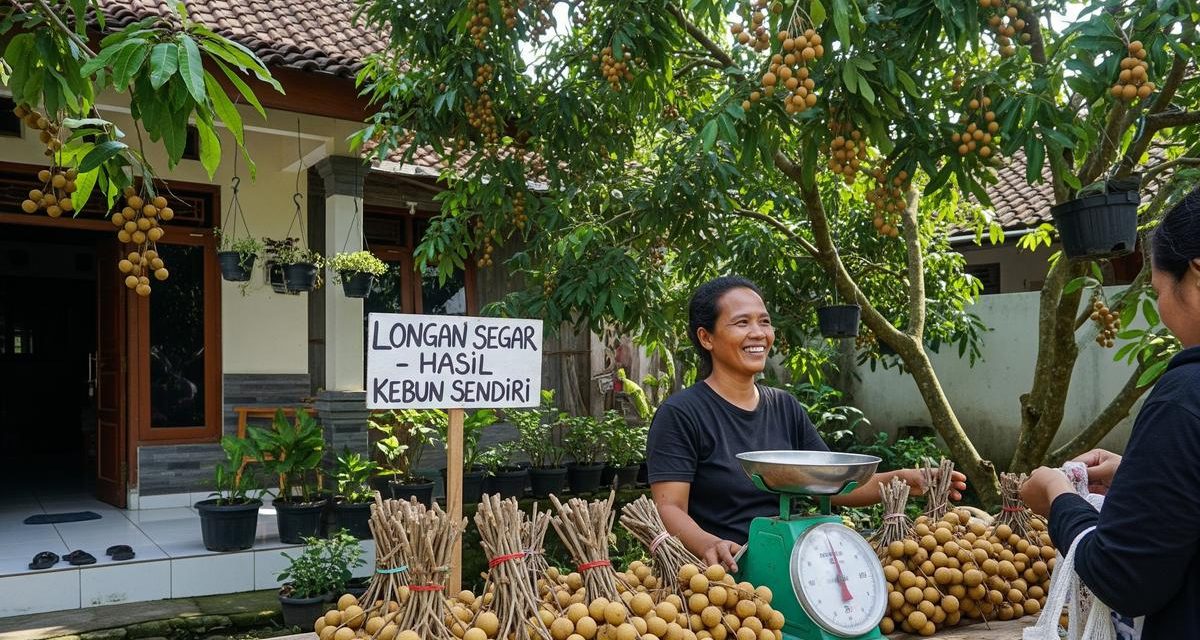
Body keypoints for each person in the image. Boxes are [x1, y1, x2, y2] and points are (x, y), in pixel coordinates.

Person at [648, 275, 966, 571]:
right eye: (741, 323)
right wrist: (709, 544)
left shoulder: (784, 406)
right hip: (720, 574)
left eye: (764, 322)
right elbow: (670, 507)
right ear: (706, 337)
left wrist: (904, 480)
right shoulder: (681, 414)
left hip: (794, 566)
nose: (758, 333)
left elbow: (831, 484)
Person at [1020, 187, 1200, 639]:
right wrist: (1145, 475)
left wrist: (1059, 498)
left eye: (1158, 290)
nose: (1159, 311)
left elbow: (1124, 578)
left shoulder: (1186, 395)